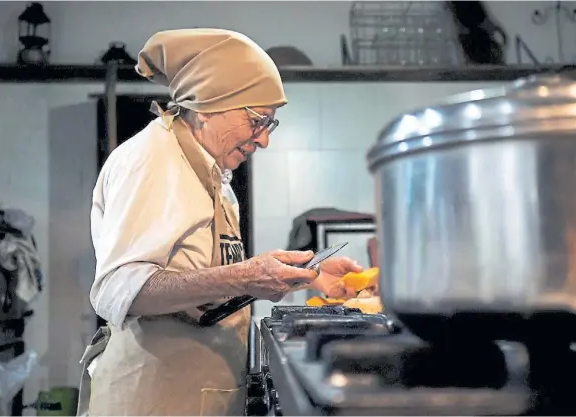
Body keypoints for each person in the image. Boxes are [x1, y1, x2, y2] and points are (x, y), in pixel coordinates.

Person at [78, 28, 363, 416]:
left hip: (196, 396)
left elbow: (200, 283)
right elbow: (120, 288)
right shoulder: (154, 159)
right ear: (211, 104)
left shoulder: (211, 174)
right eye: (259, 121)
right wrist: (246, 277)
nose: (263, 140)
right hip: (153, 400)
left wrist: (302, 273)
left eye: (269, 125)